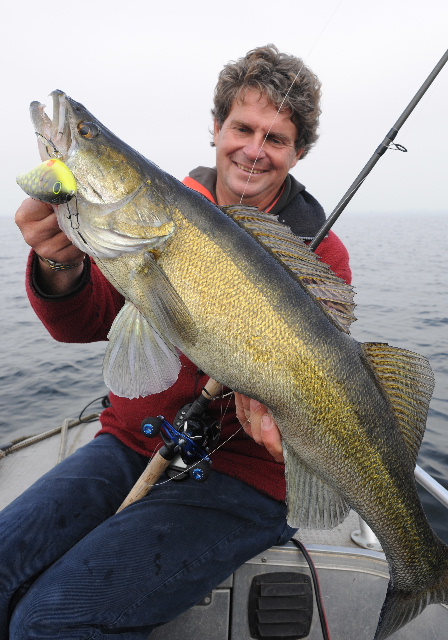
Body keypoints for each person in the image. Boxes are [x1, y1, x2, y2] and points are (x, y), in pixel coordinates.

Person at [4, 45, 352, 639]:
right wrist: (60, 262)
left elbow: (317, 384)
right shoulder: (151, 209)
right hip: (132, 442)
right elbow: (82, 323)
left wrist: (288, 433)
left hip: (244, 475)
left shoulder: (319, 253)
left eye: (276, 138)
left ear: (298, 153)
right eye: (242, 128)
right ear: (216, 127)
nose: (254, 149)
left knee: (51, 620)